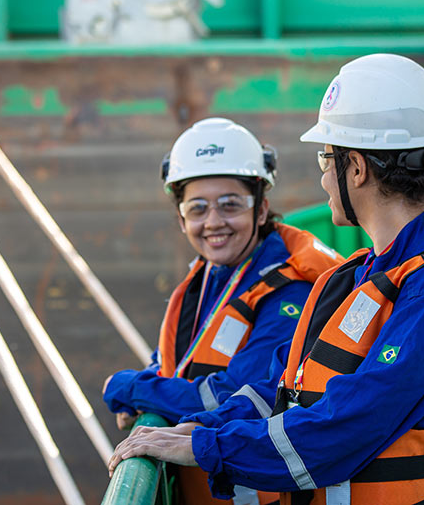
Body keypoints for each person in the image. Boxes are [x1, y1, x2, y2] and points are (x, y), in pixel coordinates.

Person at [108, 55, 424, 505]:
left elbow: (354, 421)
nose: (322, 178)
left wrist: (209, 447)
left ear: (355, 167)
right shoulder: (356, 275)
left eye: (325, 159)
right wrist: (203, 426)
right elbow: (283, 385)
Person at [103, 117, 343, 505]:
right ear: (181, 218)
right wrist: (150, 383)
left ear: (261, 209)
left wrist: (131, 388)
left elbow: (231, 395)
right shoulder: (210, 279)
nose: (213, 222)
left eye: (230, 205)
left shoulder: (290, 293)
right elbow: (180, 360)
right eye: (197, 208)